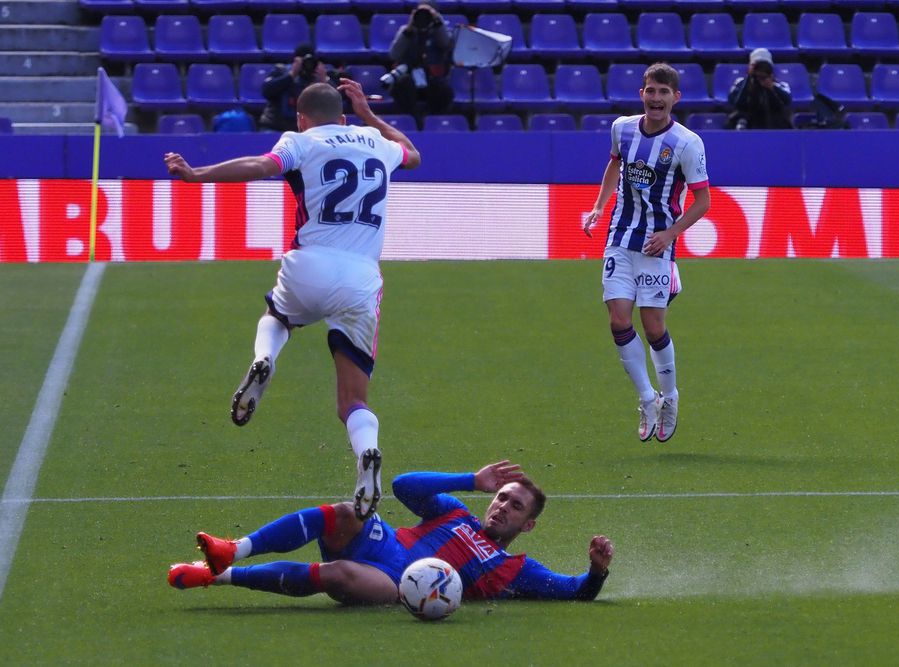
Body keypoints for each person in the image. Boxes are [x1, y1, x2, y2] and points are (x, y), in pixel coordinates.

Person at [164, 80, 421, 521]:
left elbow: (259, 165)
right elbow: (413, 155)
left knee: (278, 316)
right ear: (344, 116)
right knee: (353, 402)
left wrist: (198, 175)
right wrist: (369, 115)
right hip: (362, 277)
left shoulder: (299, 141)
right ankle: (369, 450)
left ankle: (265, 360)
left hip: (310, 263)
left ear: (301, 118)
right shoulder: (376, 141)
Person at [167, 461, 615, 604]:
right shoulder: (456, 513)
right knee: (347, 512)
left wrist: (595, 572)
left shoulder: (511, 567)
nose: (502, 507)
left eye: (515, 506)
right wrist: (470, 480)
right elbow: (403, 487)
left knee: (340, 573)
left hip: (397, 585)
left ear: (528, 525)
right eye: (502, 497)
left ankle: (215, 577)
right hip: (387, 545)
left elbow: (572, 590)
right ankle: (234, 548)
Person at [582, 62, 711, 443]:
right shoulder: (621, 128)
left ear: (675, 98)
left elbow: (702, 201)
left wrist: (670, 234)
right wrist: (599, 206)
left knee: (654, 327)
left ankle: (670, 396)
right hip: (620, 237)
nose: (656, 99)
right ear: (642, 94)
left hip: (657, 244)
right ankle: (647, 398)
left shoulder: (687, 143)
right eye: (651, 91)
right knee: (619, 320)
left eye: (664, 93)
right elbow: (614, 165)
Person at [383, 2, 455, 117]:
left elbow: (446, 45)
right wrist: (409, 29)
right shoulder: (406, 31)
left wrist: (438, 22)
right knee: (402, 84)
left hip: (432, 78)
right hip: (409, 78)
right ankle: (410, 118)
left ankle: (435, 121)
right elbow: (394, 54)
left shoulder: (438, 31)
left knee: (444, 90)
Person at [258, 42, 346, 133]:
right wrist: (291, 75)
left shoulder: (321, 76)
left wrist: (325, 80)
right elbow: (266, 91)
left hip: (309, 131)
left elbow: (338, 103)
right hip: (276, 126)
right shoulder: (281, 71)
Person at [726, 48, 792, 130]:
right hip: (748, 122)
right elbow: (736, 102)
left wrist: (771, 88)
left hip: (773, 122)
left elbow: (787, 101)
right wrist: (749, 79)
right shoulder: (740, 83)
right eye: (756, 66)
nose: (760, 70)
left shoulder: (780, 85)